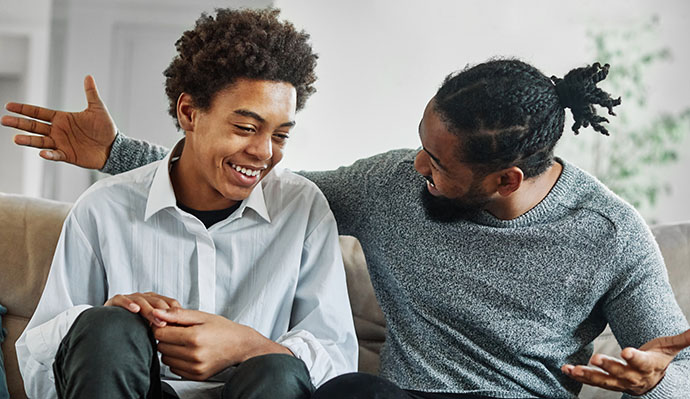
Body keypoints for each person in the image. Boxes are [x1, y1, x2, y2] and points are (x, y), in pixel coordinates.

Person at [4, 57, 690, 397]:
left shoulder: (609, 233)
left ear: (505, 178)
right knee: (346, 391)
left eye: (438, 163)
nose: (415, 163)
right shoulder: (391, 183)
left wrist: (658, 379)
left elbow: (674, 358)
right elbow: (261, 183)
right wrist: (117, 154)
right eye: (421, 139)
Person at [6, 8, 358, 399]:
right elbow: (38, 364)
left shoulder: (303, 208)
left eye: (280, 135)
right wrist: (106, 319)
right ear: (189, 113)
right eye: (245, 128)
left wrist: (245, 344)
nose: (263, 152)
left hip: (253, 392)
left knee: (277, 369)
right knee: (106, 327)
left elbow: (337, 360)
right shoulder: (103, 208)